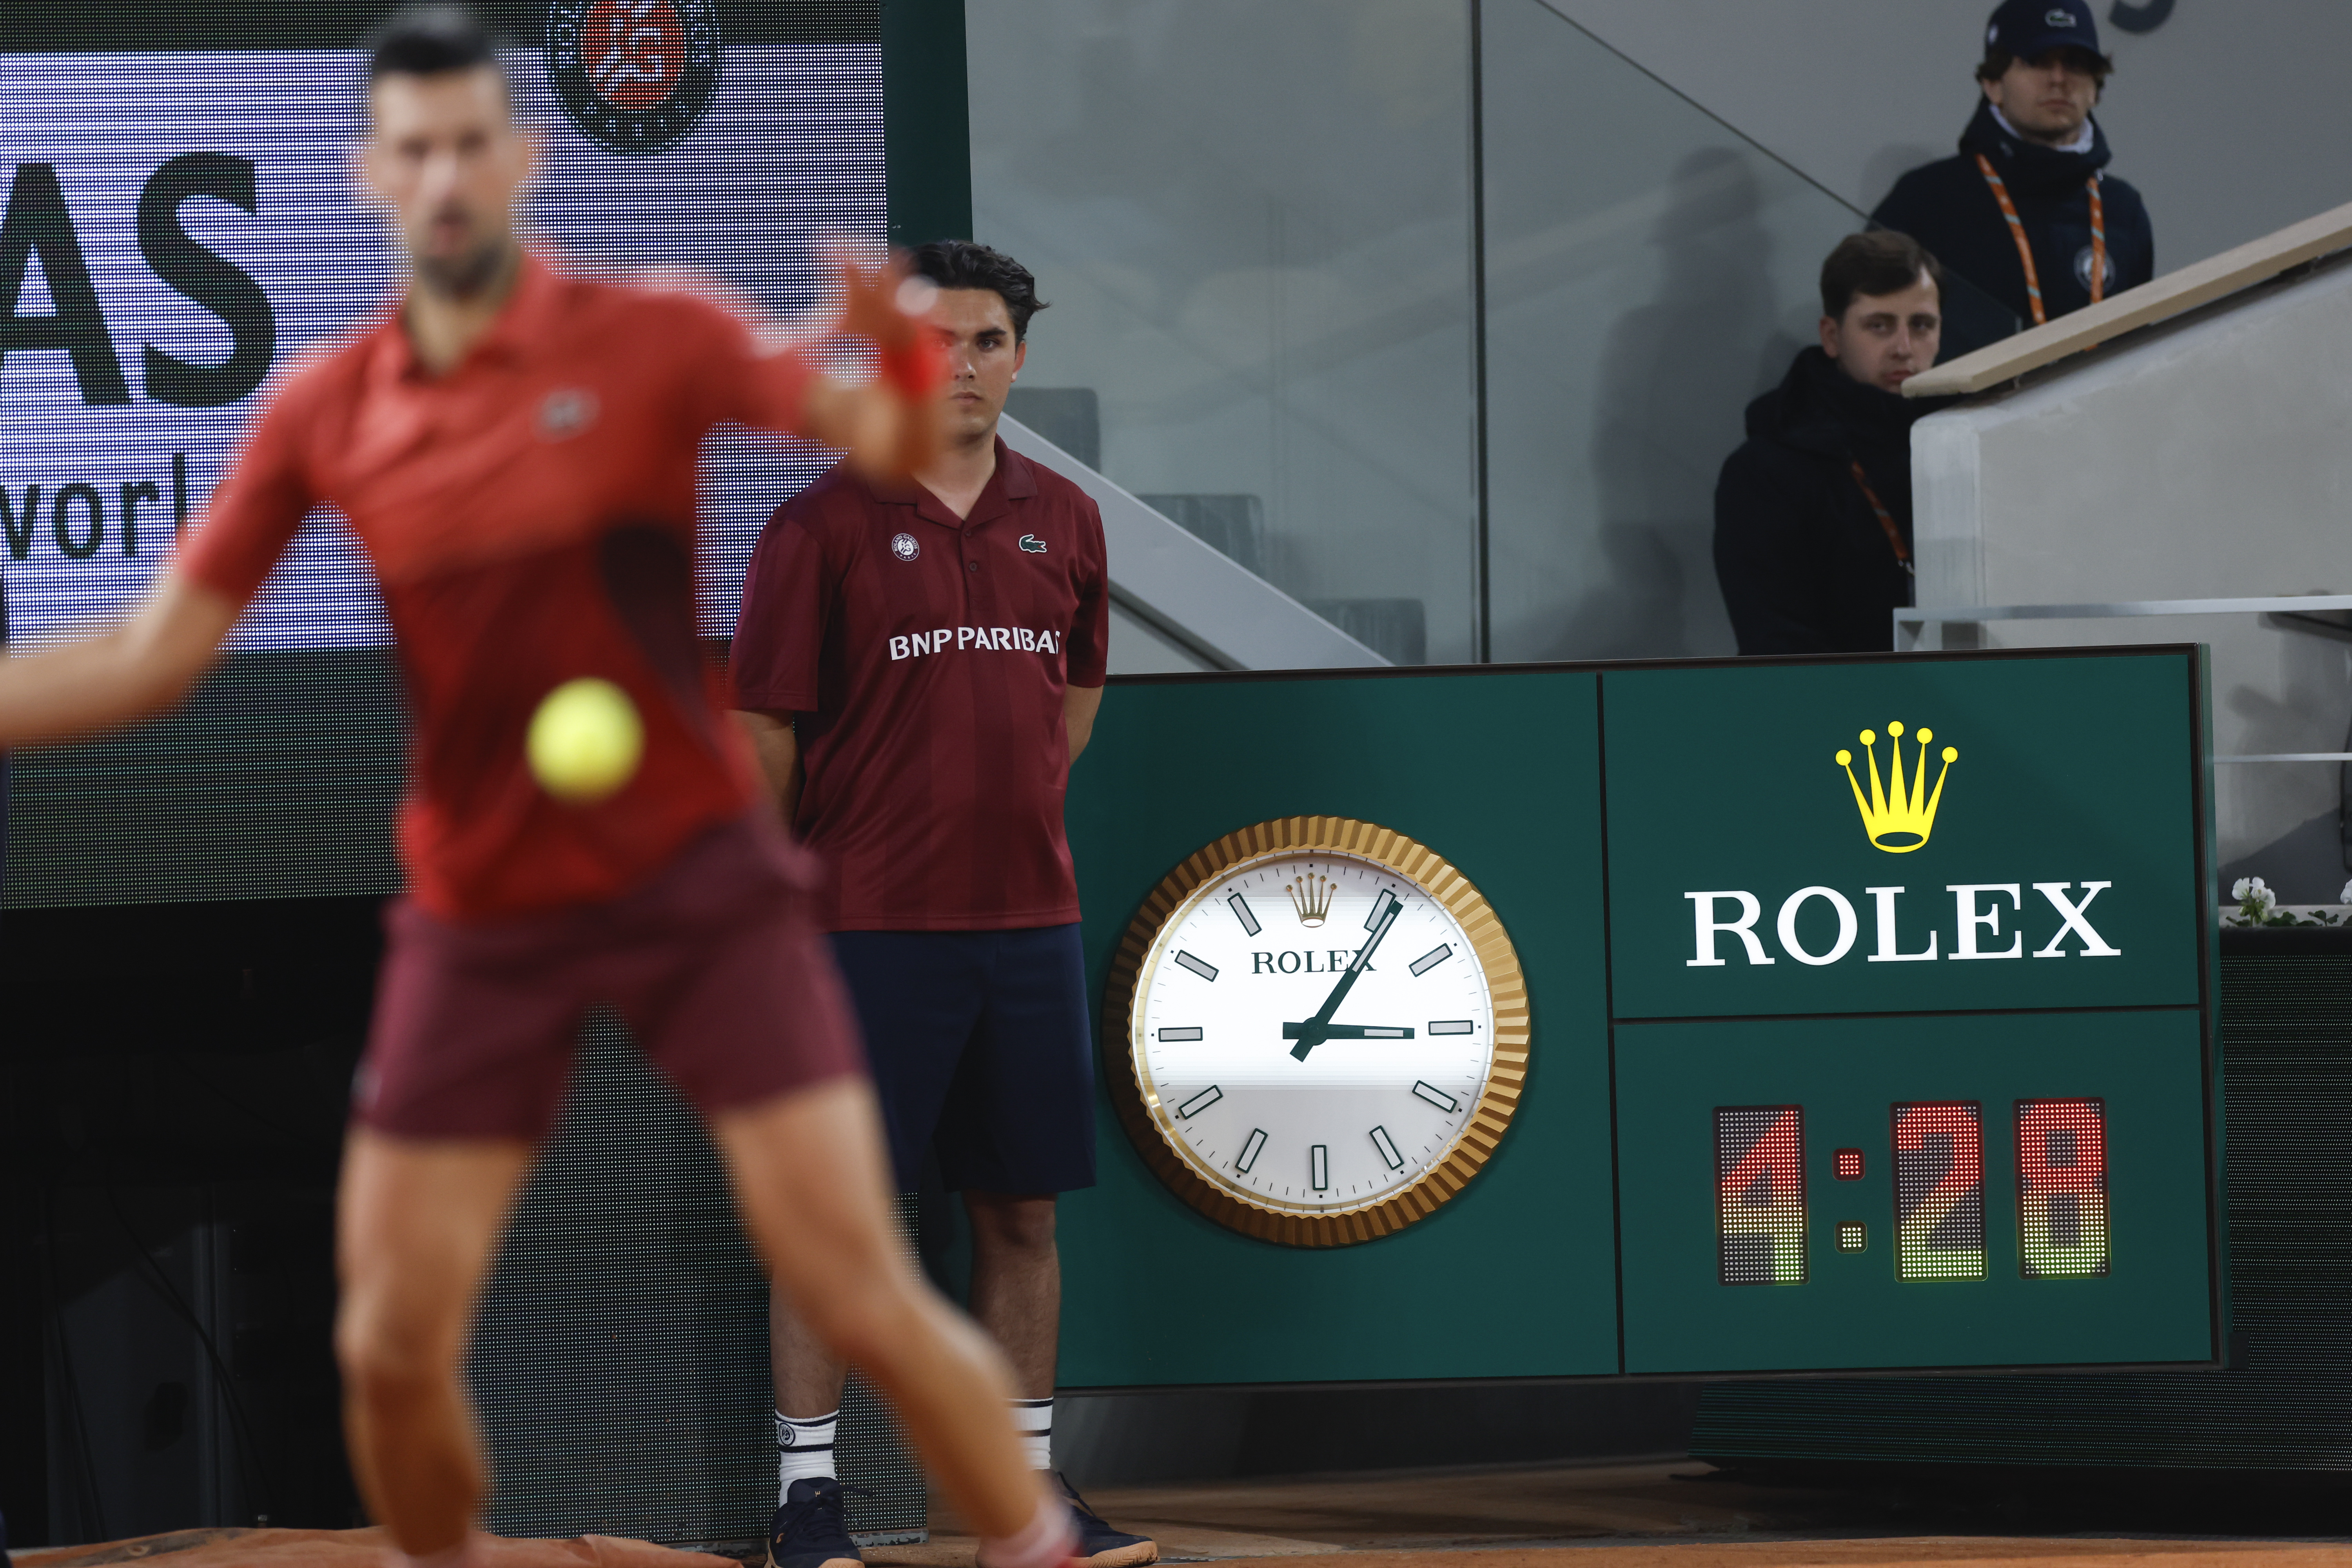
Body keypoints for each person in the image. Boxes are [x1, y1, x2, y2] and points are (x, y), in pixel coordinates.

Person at [0, 13, 1072, 1568]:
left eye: (470, 143)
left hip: (698, 881)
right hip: (489, 907)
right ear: (372, 173)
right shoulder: (323, 406)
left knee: (861, 1272)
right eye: (412, 148)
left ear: (520, 158)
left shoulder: (658, 333)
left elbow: (890, 440)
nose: (444, 174)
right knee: (390, 1342)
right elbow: (155, 650)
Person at [728, 241, 1152, 1568]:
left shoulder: (1066, 520)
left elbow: (1072, 703)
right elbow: (764, 734)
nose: (960, 366)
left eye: (986, 342)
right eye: (933, 343)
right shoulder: (819, 524)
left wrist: (1001, 813)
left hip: (1029, 927)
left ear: (1019, 358)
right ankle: (809, 1506)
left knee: (1022, 1219)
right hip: (866, 929)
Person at [1872, 0, 2152, 355]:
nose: (2059, 78)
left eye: (2076, 64)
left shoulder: (2122, 210)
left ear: (2096, 89)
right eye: (2037, 61)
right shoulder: (1928, 198)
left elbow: (2140, 350)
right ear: (1993, 84)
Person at [1713, 231, 1948, 655]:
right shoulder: (1765, 473)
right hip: (1844, 712)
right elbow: (1777, 646)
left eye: (1921, 325)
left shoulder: (1970, 443)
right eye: (1879, 325)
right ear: (1832, 336)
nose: (1903, 348)